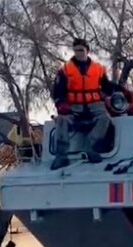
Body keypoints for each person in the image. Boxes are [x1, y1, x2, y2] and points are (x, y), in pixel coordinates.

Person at [51, 38, 122, 170]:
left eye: (81, 50)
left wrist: (118, 90)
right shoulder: (65, 70)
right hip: (74, 107)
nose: (79, 53)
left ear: (87, 51)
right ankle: (61, 156)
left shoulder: (98, 69)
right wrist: (61, 104)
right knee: (61, 120)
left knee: (105, 118)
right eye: (76, 50)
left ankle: (91, 147)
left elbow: (106, 86)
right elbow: (58, 90)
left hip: (94, 105)